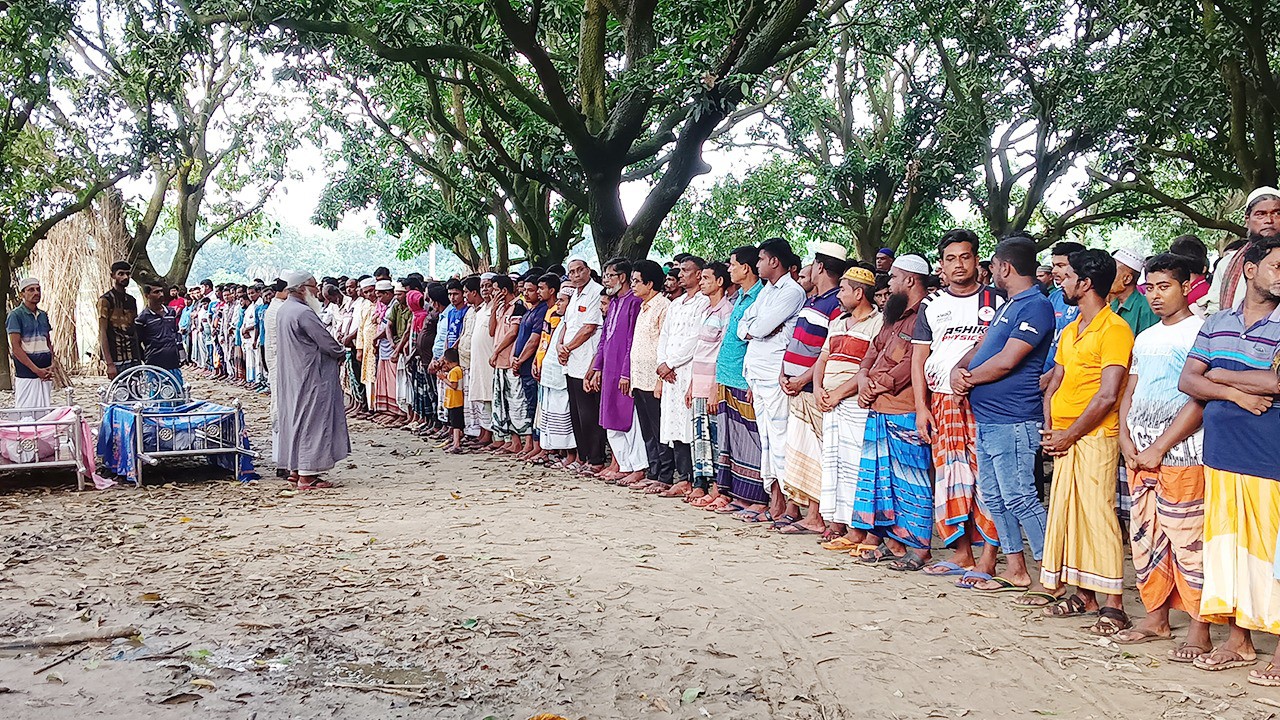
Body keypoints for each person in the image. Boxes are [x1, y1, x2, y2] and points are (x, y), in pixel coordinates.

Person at [1179, 236, 1280, 683]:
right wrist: (1232, 387)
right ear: (1250, 270)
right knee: (1231, 552)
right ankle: (1239, 643)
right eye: (1277, 265)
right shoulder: (1218, 321)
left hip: (1269, 456)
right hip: (1221, 455)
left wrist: (1217, 372)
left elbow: (1278, 383)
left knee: (1271, 553)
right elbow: (1189, 380)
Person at [1109, 253, 1209, 655]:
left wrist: (1159, 447)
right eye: (1150, 287)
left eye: (1164, 287)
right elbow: (1129, 391)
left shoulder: (1201, 332)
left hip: (1184, 455)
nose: (1155, 296)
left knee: (1189, 541)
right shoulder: (1146, 337)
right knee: (1146, 539)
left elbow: (1199, 400)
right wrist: (1126, 441)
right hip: (1140, 455)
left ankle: (1199, 628)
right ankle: (1157, 618)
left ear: (1187, 286)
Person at [1037, 248, 1134, 636]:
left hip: (1093, 436)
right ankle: (1084, 595)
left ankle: (1115, 605)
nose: (1061, 280)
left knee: (1097, 516)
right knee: (1069, 514)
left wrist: (1068, 433)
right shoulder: (1072, 327)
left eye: (1067, 274)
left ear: (1086, 282)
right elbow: (1054, 382)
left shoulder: (1115, 330)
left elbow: (1109, 395)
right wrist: (1050, 428)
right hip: (1064, 436)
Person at [951, 236, 1054, 596]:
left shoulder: (1036, 307)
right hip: (991, 419)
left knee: (1021, 497)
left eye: (992, 265)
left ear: (1005, 267)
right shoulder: (1010, 306)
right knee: (995, 498)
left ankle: (1051, 574)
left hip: (1014, 420)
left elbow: (1009, 360)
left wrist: (968, 379)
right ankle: (1016, 569)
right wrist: (958, 368)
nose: (990, 271)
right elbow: (982, 347)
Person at [910, 229, 1003, 583]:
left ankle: (990, 558)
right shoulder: (931, 305)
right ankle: (963, 554)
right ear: (942, 266)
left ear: (977, 260)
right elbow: (919, 360)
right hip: (943, 402)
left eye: (965, 257)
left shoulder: (997, 301)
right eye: (951, 259)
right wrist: (922, 407)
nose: (959, 264)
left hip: (986, 401)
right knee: (951, 477)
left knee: (986, 476)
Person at [851, 253, 933, 571]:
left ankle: (919, 547)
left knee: (911, 480)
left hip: (904, 408)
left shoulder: (926, 313)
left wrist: (876, 385)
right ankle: (893, 542)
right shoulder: (894, 314)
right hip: (880, 405)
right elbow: (873, 349)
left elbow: (914, 362)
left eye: (895, 278)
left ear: (910, 280)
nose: (891, 283)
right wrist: (862, 379)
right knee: (882, 480)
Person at [777, 241, 847, 534]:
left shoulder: (834, 304)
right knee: (799, 448)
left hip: (808, 388)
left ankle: (816, 515)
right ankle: (804, 511)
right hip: (794, 384)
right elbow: (796, 341)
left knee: (815, 450)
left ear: (819, 266)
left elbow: (826, 351)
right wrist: (784, 370)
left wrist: (803, 379)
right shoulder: (813, 300)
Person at [814, 266, 883, 550]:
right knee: (838, 466)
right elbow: (822, 359)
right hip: (831, 402)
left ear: (859, 292)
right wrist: (818, 389)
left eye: (843, 290)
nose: (839, 295)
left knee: (859, 467)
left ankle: (865, 531)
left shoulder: (878, 322)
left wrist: (839, 393)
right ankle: (849, 529)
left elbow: (869, 368)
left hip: (854, 403)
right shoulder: (838, 322)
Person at [740, 237, 807, 522]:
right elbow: (744, 326)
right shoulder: (767, 290)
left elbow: (762, 325)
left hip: (776, 376)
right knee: (766, 440)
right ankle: (774, 501)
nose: (757, 265)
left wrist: (760, 327)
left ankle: (788, 505)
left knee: (780, 440)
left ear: (774, 261)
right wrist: (758, 328)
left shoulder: (791, 291)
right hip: (757, 373)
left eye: (760, 260)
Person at [273, 271, 350, 490]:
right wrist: (340, 352)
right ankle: (307, 476)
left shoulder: (284, 310)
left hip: (293, 374)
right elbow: (326, 341)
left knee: (296, 418)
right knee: (312, 421)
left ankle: (296, 470)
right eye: (314, 286)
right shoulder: (303, 312)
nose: (317, 291)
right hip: (311, 376)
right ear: (302, 288)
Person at [713, 246, 767, 519]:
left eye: (732, 264)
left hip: (744, 378)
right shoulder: (740, 298)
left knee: (751, 439)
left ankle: (757, 497)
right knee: (731, 439)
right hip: (727, 375)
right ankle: (738, 494)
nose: (729, 268)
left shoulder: (761, 297)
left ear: (746, 268)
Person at [655, 255, 711, 499]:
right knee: (673, 423)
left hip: (687, 369)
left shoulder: (703, 303)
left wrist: (672, 362)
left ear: (699, 274)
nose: (680, 275)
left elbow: (697, 338)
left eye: (686, 270)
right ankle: (682, 476)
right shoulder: (675, 304)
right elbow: (664, 335)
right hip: (669, 373)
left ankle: (696, 478)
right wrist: (661, 364)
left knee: (690, 423)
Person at [590, 258, 647, 485]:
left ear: (622, 277)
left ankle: (638, 466)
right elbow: (605, 337)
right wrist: (597, 367)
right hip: (609, 368)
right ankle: (623, 464)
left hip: (624, 369)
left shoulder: (634, 302)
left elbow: (632, 340)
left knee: (628, 419)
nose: (605, 280)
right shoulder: (613, 303)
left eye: (610, 275)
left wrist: (626, 372)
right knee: (610, 417)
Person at [688, 262, 735, 508]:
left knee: (716, 437)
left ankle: (719, 487)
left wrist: (716, 388)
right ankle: (702, 483)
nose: (701, 281)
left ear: (719, 282)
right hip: (699, 380)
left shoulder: (727, 311)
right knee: (700, 436)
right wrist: (691, 384)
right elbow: (700, 349)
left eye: (706, 277)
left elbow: (722, 352)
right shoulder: (707, 309)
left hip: (713, 383)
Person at [628, 259, 673, 492]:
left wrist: (660, 380)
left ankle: (665, 476)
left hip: (655, 378)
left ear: (651, 283)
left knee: (658, 429)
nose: (633, 285)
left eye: (637, 281)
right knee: (647, 429)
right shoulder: (643, 307)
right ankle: (653, 470)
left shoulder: (663, 306)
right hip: (639, 378)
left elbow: (665, 345)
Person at [559, 259, 606, 472]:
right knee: (576, 413)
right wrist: (560, 346)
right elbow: (567, 324)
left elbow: (589, 328)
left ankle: (595, 459)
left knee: (589, 413)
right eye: (572, 272)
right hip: (570, 361)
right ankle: (583, 455)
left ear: (588, 271)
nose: (576, 275)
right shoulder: (574, 294)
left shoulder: (596, 292)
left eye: (580, 270)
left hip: (586, 359)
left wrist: (567, 347)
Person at [1207, 187, 1280, 314]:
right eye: (1261, 214)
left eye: (1277, 213)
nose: (1269, 220)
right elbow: (1215, 310)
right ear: (1247, 220)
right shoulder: (1226, 264)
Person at [537, 283, 577, 465]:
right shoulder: (561, 321)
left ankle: (572, 455)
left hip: (563, 378)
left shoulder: (573, 322)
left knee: (565, 417)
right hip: (551, 377)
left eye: (561, 301)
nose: (558, 304)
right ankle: (559, 452)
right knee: (553, 417)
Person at [490, 274, 530, 453]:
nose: (492, 292)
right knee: (504, 403)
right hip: (499, 362)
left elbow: (513, 333)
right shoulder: (500, 309)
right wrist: (493, 310)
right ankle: (513, 441)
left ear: (504, 290)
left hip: (510, 360)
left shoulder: (518, 306)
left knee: (518, 401)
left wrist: (497, 350)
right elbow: (492, 331)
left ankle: (527, 441)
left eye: (495, 289)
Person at [512, 276, 548, 459]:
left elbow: (534, 341)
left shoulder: (541, 311)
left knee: (535, 407)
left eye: (531, 290)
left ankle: (540, 446)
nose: (526, 293)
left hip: (531, 367)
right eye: (524, 290)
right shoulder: (528, 311)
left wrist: (520, 360)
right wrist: (514, 357)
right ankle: (534, 445)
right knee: (530, 407)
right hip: (523, 367)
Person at [6, 278, 54, 411]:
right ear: (22, 294)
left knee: (44, 412)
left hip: (45, 371)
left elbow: (48, 341)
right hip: (26, 373)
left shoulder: (43, 315)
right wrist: (36, 370)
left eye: (38, 289)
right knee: (26, 412)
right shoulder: (15, 316)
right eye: (31, 290)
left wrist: (52, 363)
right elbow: (16, 348)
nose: (36, 293)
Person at [136, 282, 183, 387]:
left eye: (161, 291)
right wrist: (146, 359)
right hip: (154, 364)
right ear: (147, 295)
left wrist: (181, 354)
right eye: (156, 292)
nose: (161, 294)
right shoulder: (142, 318)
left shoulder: (171, 312)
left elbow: (176, 333)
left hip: (173, 362)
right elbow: (137, 343)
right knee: (157, 397)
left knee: (177, 394)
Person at [98, 260, 140, 379]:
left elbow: (134, 330)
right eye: (121, 274)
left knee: (136, 394)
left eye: (127, 274)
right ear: (113, 276)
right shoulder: (105, 301)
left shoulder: (131, 300)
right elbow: (103, 332)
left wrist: (139, 357)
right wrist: (109, 364)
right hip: (116, 358)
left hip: (133, 357)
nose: (125, 277)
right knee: (120, 394)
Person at [1110, 248, 1160, 337]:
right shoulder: (1112, 305)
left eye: (1113, 271)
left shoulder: (1147, 308)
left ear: (1127, 279)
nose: (1107, 276)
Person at [439, 347, 465, 453]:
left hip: (455, 401)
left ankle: (456, 444)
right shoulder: (457, 370)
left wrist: (443, 378)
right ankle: (456, 441)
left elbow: (454, 385)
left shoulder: (454, 371)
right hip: (454, 400)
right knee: (456, 423)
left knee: (456, 425)